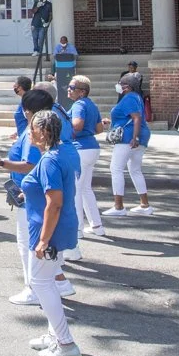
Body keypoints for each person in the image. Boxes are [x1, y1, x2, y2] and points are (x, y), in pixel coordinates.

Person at [0, 87, 73, 306]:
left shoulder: (34, 133)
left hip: (32, 199)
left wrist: (1, 163)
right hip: (36, 195)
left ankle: (33, 288)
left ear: (28, 111)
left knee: (28, 245)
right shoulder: (50, 128)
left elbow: (30, 165)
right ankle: (58, 281)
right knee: (37, 247)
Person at [19, 110, 84, 356]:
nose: (29, 131)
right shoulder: (60, 153)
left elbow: (54, 202)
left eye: (32, 127)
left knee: (40, 283)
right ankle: (54, 334)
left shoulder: (49, 160)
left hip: (49, 231)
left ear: (43, 132)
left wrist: (44, 240)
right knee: (48, 282)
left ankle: (66, 342)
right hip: (59, 227)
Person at [101, 80, 153, 218]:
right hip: (140, 136)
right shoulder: (137, 97)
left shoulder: (129, 98)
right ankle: (144, 204)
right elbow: (130, 118)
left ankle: (118, 206)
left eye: (120, 83)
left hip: (128, 137)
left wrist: (134, 137)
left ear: (127, 87)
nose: (118, 85)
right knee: (135, 170)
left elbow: (136, 118)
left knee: (116, 168)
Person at [65, 76, 105, 238]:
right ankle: (97, 226)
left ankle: (77, 229)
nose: (68, 89)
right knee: (86, 189)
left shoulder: (79, 104)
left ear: (82, 92)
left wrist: (64, 134)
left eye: (72, 87)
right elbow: (99, 128)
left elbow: (77, 124)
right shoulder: (91, 104)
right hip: (92, 148)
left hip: (80, 149)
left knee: (75, 190)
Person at [51, 37, 78, 102]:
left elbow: (75, 55)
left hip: (69, 66)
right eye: (61, 41)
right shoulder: (58, 47)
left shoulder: (71, 47)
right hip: (60, 66)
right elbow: (55, 55)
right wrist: (61, 54)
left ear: (67, 41)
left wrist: (67, 55)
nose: (63, 42)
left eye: (64, 41)